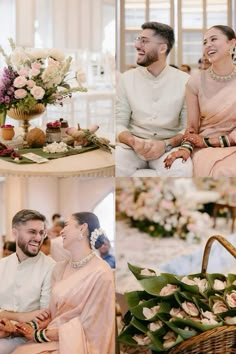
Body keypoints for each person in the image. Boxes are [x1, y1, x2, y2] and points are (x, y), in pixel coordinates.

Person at [8, 212, 115, 354]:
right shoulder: (60, 268)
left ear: (82, 228)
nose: (62, 231)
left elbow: (93, 328)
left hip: (78, 344)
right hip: (53, 336)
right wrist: (21, 327)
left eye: (66, 225)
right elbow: (53, 314)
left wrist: (39, 335)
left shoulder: (101, 273)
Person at [116, 21, 192, 177]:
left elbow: (187, 128)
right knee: (113, 165)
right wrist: (133, 142)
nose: (137, 45)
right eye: (138, 39)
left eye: (144, 41)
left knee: (182, 169)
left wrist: (165, 145)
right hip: (131, 147)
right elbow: (119, 123)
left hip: (168, 147)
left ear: (162, 48)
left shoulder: (185, 81)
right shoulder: (126, 79)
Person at [164, 25, 236, 177]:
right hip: (205, 148)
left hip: (226, 143)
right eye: (204, 42)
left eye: (213, 39)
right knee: (225, 172)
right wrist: (185, 149)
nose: (208, 45)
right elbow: (191, 126)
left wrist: (212, 141)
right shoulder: (195, 82)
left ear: (232, 43)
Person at [0, 209, 55, 354]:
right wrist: (20, 316)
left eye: (41, 232)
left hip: (26, 338)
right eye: (32, 232)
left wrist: (12, 328)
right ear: (15, 233)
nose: (38, 238)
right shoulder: (2, 265)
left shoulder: (50, 267)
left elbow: (45, 316)